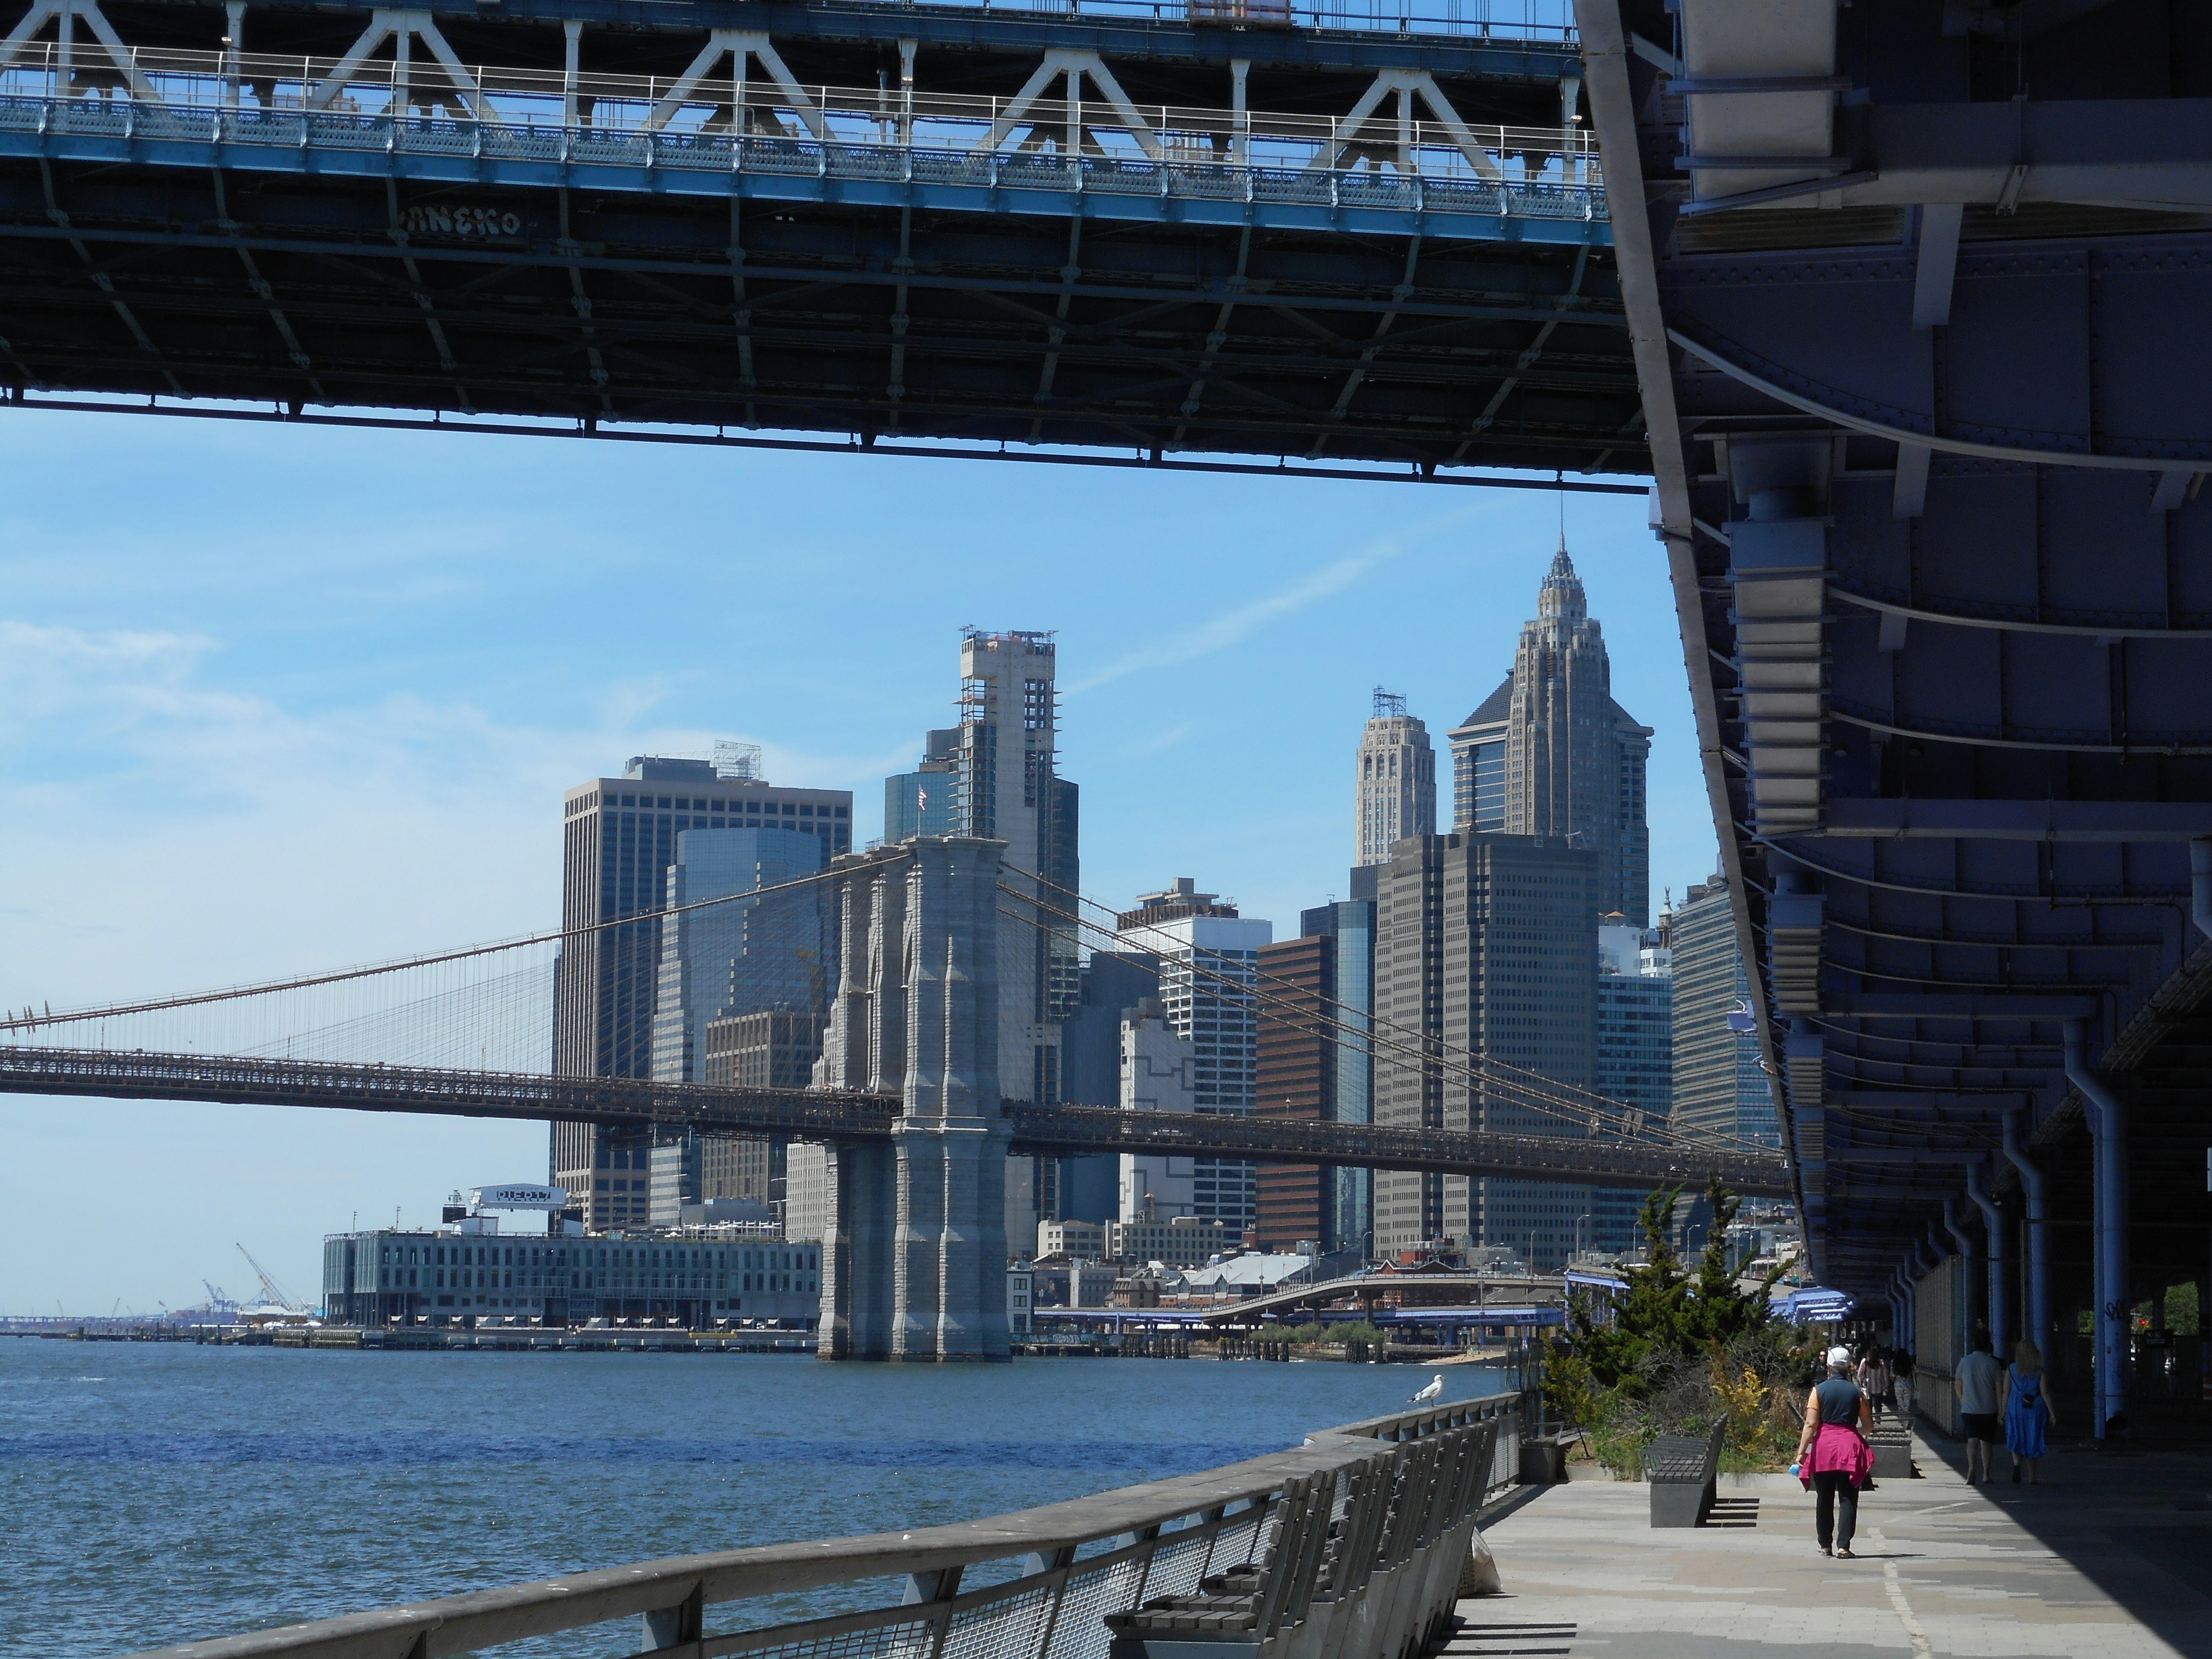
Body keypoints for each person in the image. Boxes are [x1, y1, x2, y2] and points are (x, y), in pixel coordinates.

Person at [1793, 1344, 1875, 1558]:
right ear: (1849, 1366)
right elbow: (1868, 1426)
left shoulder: (1818, 1391)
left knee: (1824, 1497)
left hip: (1824, 1448)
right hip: (1849, 1446)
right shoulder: (1858, 1393)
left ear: (1828, 1365)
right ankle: (1844, 1546)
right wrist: (1853, 1433)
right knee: (1848, 1497)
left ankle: (1825, 1544)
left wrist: (1802, 1452)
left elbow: (1811, 1424)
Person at [1954, 1329, 2005, 1482]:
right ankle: (1986, 1474)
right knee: (1987, 1442)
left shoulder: (1965, 1361)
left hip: (1969, 1408)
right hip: (1989, 1409)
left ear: (1974, 1344)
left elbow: (1958, 1384)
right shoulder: (1994, 1364)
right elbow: (1999, 1390)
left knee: (1972, 1440)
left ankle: (1971, 1468)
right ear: (1989, 1344)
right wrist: (2001, 1410)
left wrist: (1963, 1399)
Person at [2005, 1338, 2056, 1485]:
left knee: (2016, 1435)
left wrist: (2003, 1412)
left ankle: (2016, 1464)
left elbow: (2006, 1392)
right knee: (2033, 1437)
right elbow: (2045, 1393)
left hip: (2015, 1406)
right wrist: (2052, 1413)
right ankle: (2032, 1476)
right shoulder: (2040, 1372)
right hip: (2035, 1407)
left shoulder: (2011, 1370)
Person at [1857, 1348, 1894, 1422]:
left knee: (1868, 1407)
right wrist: (1886, 1387)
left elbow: (1860, 1375)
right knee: (1878, 1406)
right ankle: (1878, 1421)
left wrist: (1862, 1382)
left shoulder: (1865, 1362)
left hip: (1867, 1388)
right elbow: (1885, 1376)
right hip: (1879, 1387)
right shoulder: (1881, 1363)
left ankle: (1870, 1423)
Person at [1893, 1346, 1917, 1422]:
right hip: (1909, 1385)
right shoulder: (1910, 1364)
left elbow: (1892, 1376)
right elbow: (1916, 1372)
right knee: (1908, 1404)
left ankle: (1902, 1419)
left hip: (1898, 1385)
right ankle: (1907, 1420)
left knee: (1900, 1403)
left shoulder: (1895, 1364)